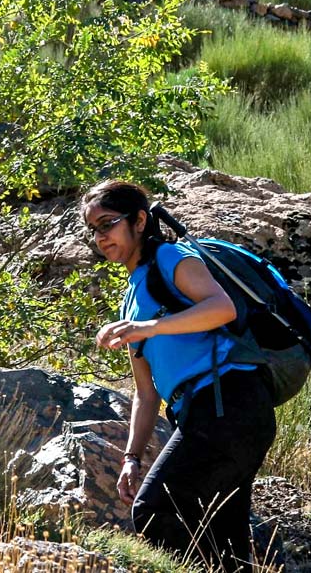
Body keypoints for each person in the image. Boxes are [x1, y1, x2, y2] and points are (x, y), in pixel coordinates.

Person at [84, 180, 276, 572]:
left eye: (107, 224)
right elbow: (145, 393)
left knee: (155, 509)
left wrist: (150, 327)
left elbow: (221, 308)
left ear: (139, 220)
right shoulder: (131, 296)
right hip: (205, 415)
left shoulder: (171, 258)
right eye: (93, 229)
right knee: (225, 543)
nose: (99, 237)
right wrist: (132, 458)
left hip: (230, 403)